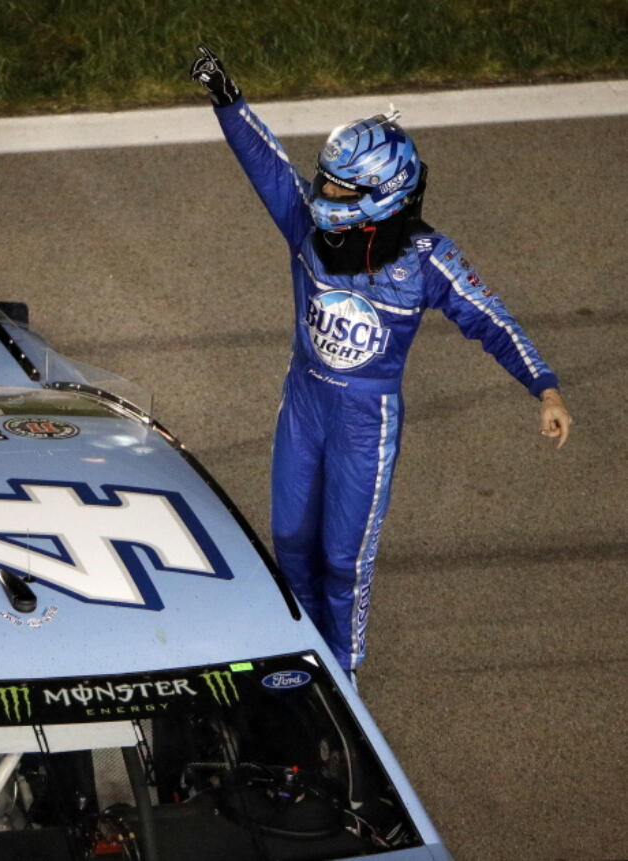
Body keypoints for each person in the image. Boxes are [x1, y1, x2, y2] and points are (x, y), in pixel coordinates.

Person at [188, 46, 573, 680]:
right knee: (290, 549)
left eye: (341, 185)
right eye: (327, 178)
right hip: (305, 405)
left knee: (343, 561)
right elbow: (267, 165)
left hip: (367, 423)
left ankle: (345, 680)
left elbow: (493, 320)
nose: (324, 192)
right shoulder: (306, 226)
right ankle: (300, 666)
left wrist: (546, 388)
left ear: (381, 194)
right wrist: (227, 99)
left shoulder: (427, 258)